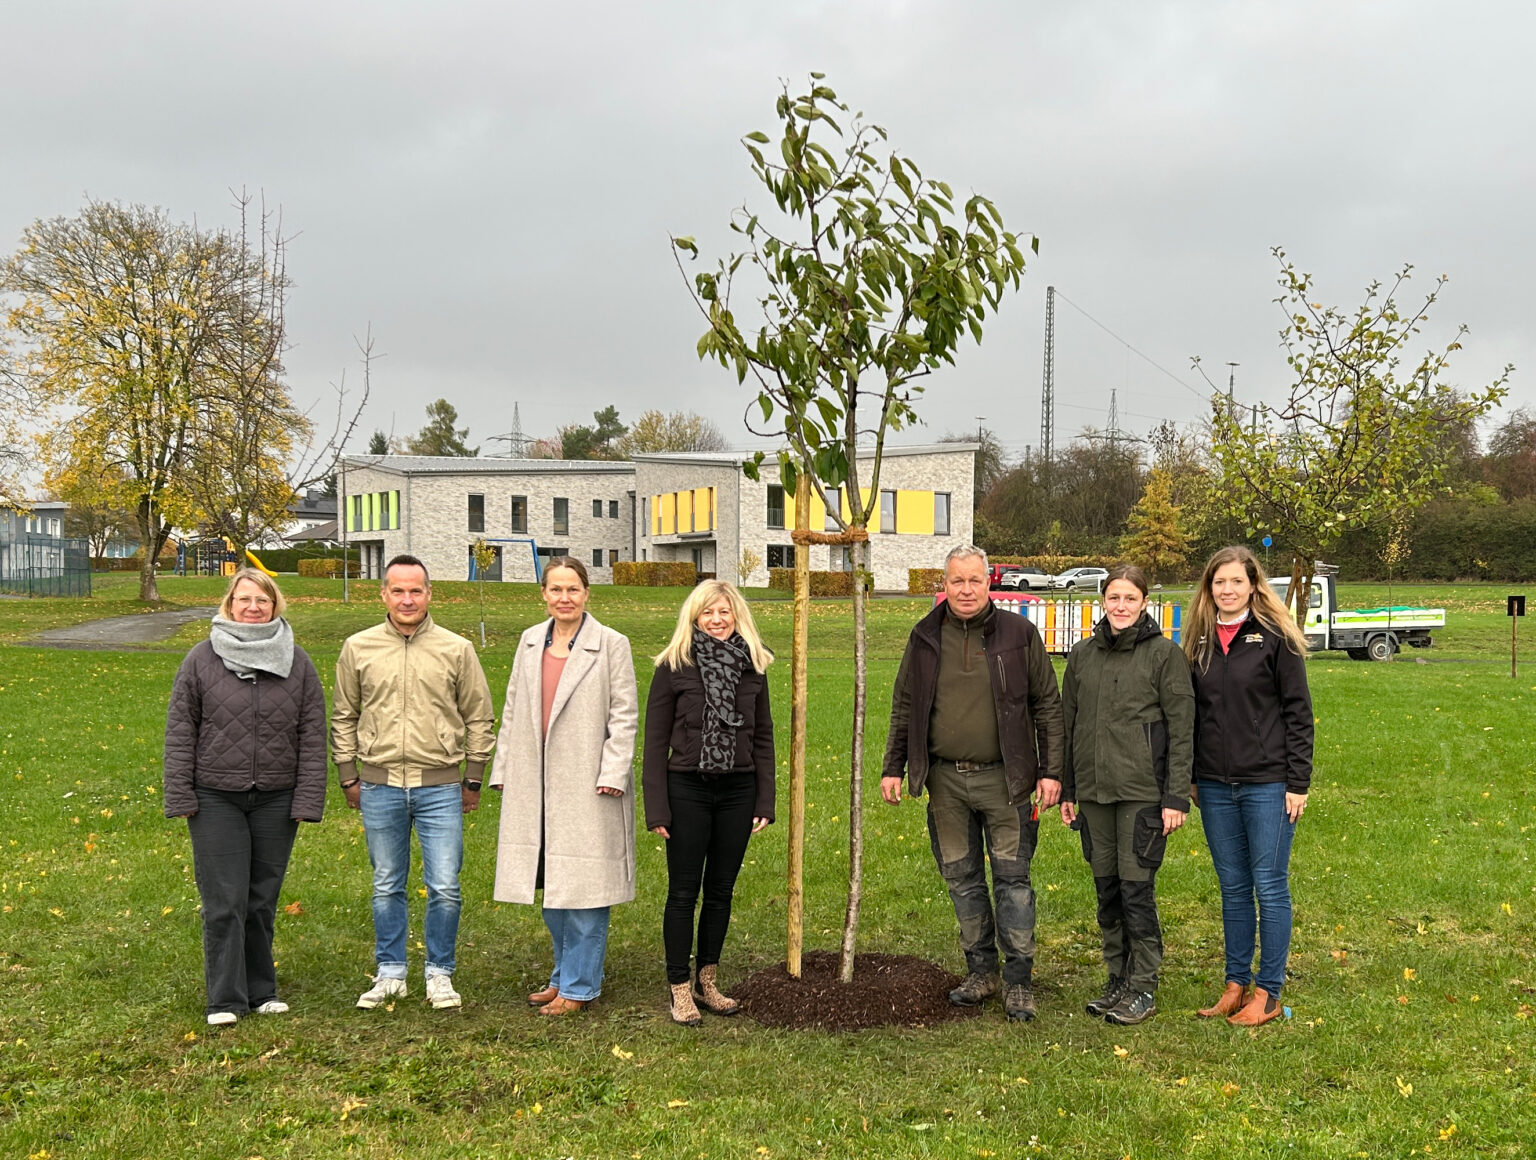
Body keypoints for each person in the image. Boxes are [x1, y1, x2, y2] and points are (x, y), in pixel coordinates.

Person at [881, 544, 1065, 1022]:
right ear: (944, 584)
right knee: (962, 880)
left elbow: (1048, 705)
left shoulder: (1018, 634)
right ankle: (981, 971)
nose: (966, 589)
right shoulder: (924, 637)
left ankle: (1019, 981)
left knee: (1013, 881)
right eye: (956, 581)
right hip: (946, 782)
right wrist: (892, 765)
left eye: (975, 580)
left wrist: (1051, 772)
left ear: (990, 583)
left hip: (1008, 782)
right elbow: (905, 705)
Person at [164, 568, 327, 1026]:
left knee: (260, 901)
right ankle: (225, 1000)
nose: (252, 607)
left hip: (277, 798)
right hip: (215, 796)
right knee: (223, 901)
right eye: (244, 599)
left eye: (262, 600)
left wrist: (308, 799)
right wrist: (180, 794)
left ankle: (261, 991)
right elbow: (180, 731)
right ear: (229, 605)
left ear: (276, 606)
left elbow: (313, 735)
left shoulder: (298, 662)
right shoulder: (200, 659)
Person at [332, 554, 495, 1011]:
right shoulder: (358, 647)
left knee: (445, 885)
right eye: (398, 590)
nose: (407, 599)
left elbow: (479, 716)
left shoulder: (456, 648)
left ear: (429, 594)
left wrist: (474, 777)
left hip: (440, 787)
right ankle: (391, 972)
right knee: (387, 883)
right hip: (379, 784)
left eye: (416, 590)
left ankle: (439, 972)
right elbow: (344, 715)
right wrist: (348, 773)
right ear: (383, 594)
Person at [489, 556, 639, 1015]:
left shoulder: (611, 644)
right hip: (535, 784)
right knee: (552, 890)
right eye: (556, 589)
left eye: (572, 589)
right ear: (543, 594)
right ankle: (561, 974)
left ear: (587, 593)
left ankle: (580, 985)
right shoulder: (530, 642)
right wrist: (503, 770)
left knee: (586, 890)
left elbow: (625, 715)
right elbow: (513, 709)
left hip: (590, 786)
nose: (564, 598)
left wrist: (613, 773)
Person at [1058, 565, 1194, 1026]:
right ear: (1102, 601)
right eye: (1113, 597)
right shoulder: (1081, 656)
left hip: (1142, 796)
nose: (1120, 606)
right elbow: (1066, 726)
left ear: (1143, 603)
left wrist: (1175, 797)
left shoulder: (1164, 656)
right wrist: (1068, 789)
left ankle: (1143, 986)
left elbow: (1182, 731)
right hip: (1094, 795)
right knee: (1107, 889)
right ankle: (1117, 976)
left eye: (1129, 599)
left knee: (1137, 890)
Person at [1184, 546, 1313, 1027]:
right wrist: (1193, 776)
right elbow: (1192, 715)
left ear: (1254, 585)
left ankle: (1269, 992)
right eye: (1219, 583)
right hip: (1215, 786)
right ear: (1209, 588)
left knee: (1269, 886)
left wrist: (1297, 782)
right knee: (1233, 888)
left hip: (1268, 784)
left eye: (1237, 582)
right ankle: (1236, 984)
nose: (1228, 590)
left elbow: (1299, 713)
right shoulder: (1197, 641)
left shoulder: (1275, 638)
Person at [643, 581, 775, 1025]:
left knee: (720, 891)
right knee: (684, 892)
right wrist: (657, 808)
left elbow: (763, 738)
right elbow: (654, 743)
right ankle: (679, 988)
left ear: (737, 616)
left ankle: (708, 980)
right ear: (694, 618)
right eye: (708, 613)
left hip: (739, 790)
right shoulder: (674, 666)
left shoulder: (753, 667)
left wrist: (765, 798)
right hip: (686, 788)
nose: (717, 620)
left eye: (725, 612)